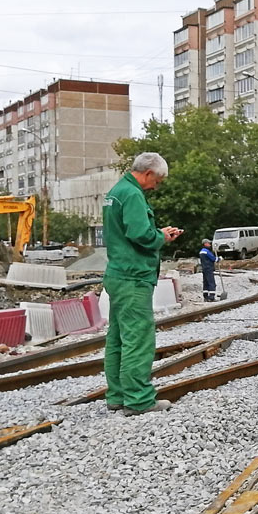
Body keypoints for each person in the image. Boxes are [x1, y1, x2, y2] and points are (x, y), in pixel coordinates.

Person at [103, 153, 182, 414]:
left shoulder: (117, 191)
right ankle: (139, 399)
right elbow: (140, 234)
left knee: (117, 338)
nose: (156, 186)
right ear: (148, 173)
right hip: (133, 276)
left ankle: (117, 395)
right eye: (157, 181)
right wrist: (161, 236)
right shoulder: (133, 194)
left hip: (117, 274)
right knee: (138, 338)